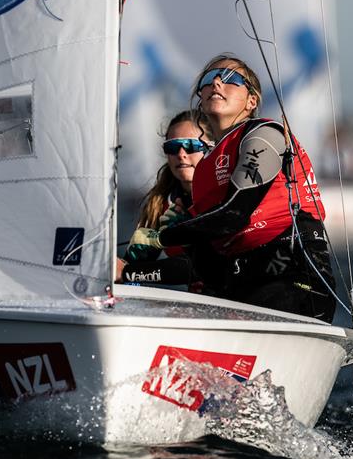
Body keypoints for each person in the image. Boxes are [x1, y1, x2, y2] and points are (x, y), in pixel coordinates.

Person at [142, 54, 337, 322]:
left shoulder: (264, 134)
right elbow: (205, 266)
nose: (218, 83)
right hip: (242, 283)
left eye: (231, 79)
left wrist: (163, 237)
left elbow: (234, 215)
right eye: (209, 80)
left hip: (295, 281)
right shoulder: (204, 172)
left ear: (252, 101)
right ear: (201, 97)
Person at [115, 110, 212, 286]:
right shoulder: (161, 203)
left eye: (191, 146)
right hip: (199, 305)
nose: (181, 154)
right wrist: (131, 262)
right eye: (172, 147)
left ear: (213, 148)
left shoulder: (228, 195)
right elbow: (128, 278)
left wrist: (130, 273)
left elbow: (209, 267)